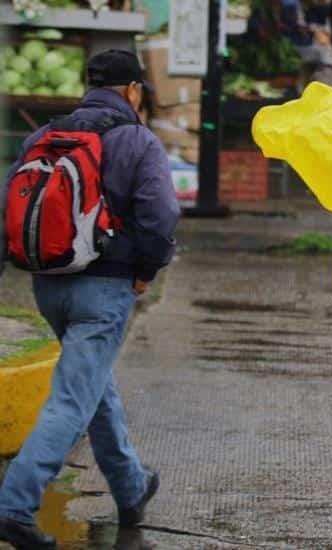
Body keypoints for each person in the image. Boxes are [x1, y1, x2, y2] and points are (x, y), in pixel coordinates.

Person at [0, 49, 179, 549]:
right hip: (105, 289)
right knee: (73, 397)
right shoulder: (136, 140)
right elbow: (160, 217)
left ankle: (131, 488)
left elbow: (9, 204)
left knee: (92, 384)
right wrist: (146, 270)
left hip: (48, 284)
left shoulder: (44, 136)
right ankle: (14, 505)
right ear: (133, 91)